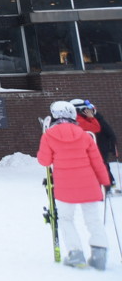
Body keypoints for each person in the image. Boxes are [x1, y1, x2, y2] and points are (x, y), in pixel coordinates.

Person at [40, 100, 111, 269]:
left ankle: (75, 253)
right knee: (93, 219)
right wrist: (105, 182)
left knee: (66, 219)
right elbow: (97, 162)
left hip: (65, 186)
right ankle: (99, 253)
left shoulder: (49, 135)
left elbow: (44, 160)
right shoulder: (84, 135)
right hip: (89, 184)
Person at [73, 99, 117, 193]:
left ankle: (107, 185)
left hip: (100, 145)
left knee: (102, 165)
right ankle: (106, 184)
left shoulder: (95, 118)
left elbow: (107, 131)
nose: (90, 111)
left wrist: (112, 145)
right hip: (93, 146)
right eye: (87, 109)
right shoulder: (80, 119)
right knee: (100, 165)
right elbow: (95, 128)